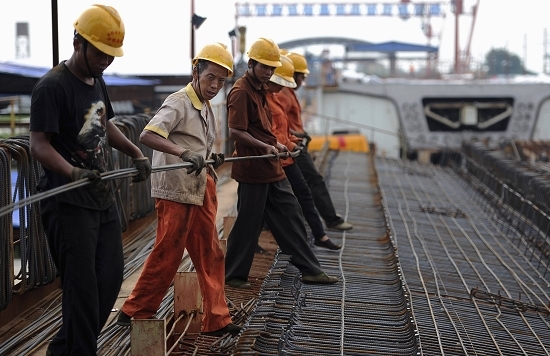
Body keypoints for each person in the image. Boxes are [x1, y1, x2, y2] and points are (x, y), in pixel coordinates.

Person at [29, 5, 152, 355]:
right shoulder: (51, 87)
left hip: (101, 199)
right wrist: (73, 172)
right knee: (82, 293)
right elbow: (39, 145)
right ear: (78, 42)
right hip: (67, 204)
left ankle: (64, 350)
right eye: (100, 52)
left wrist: (136, 153)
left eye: (111, 55)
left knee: (110, 280)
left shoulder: (97, 81)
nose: (106, 61)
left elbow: (104, 123)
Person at [116, 42, 241, 337]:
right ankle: (135, 310)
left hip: (200, 187)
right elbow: (148, 134)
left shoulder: (207, 107)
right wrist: (183, 153)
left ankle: (217, 320)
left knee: (211, 253)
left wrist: (211, 158)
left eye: (221, 81)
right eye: (211, 77)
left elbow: (200, 146)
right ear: (195, 72)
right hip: (176, 191)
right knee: (168, 253)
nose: (215, 86)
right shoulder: (178, 102)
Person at [224, 37, 339, 289]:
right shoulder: (241, 91)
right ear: (252, 63)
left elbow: (265, 130)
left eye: (272, 68)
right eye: (264, 67)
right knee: (248, 223)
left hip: (271, 165)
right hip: (254, 167)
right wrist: (265, 146)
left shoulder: (261, 89)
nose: (268, 72)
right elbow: (236, 131)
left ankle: (310, 269)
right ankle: (233, 275)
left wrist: (277, 144)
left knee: (291, 213)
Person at [266, 55, 341, 250]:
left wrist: (294, 139)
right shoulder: (276, 95)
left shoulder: (278, 95)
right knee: (293, 198)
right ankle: (312, 240)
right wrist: (291, 143)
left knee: (296, 197)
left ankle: (317, 236)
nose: (301, 82)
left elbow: (281, 129)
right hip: (280, 157)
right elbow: (270, 131)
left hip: (289, 153)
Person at [279, 52, 353, 231]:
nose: (302, 81)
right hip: (292, 146)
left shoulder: (288, 93)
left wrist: (300, 133)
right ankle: (331, 220)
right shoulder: (282, 94)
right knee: (313, 181)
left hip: (294, 143)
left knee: (290, 188)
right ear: (291, 74)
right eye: (301, 76)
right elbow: (277, 125)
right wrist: (299, 135)